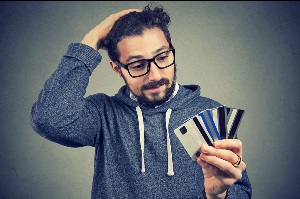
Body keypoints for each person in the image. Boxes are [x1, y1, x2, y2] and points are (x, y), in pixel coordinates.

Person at [30, 4, 252, 199]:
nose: (154, 75)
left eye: (163, 57)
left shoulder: (208, 111)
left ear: (171, 48)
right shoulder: (102, 114)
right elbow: (48, 119)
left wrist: (219, 196)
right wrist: (93, 39)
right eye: (137, 65)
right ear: (117, 69)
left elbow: (240, 190)